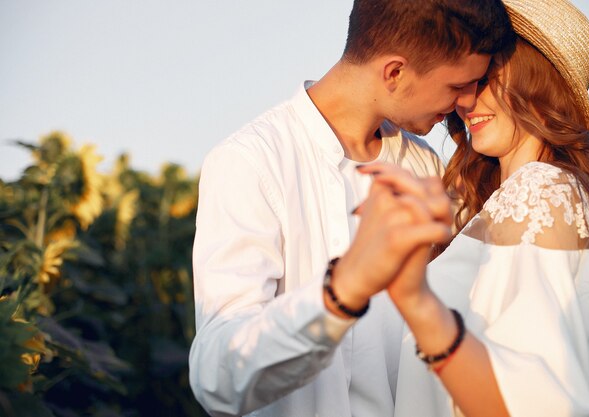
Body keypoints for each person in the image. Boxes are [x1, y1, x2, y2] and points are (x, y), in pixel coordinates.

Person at [188, 1, 514, 416]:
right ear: (395, 72)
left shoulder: (426, 166)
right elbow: (216, 377)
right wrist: (343, 291)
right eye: (457, 86)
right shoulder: (250, 161)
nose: (468, 100)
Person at [349, 0, 589, 416]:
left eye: (487, 77)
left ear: (538, 82)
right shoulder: (511, 200)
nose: (465, 100)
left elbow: (533, 405)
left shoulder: (541, 192)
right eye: (464, 79)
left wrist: (417, 302)